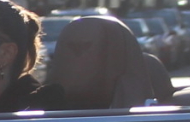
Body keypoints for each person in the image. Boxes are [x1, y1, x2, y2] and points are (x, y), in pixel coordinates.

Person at [33, 14, 169, 110]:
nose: (80, 59)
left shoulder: (146, 115)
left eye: (88, 47)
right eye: (72, 48)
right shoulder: (29, 110)